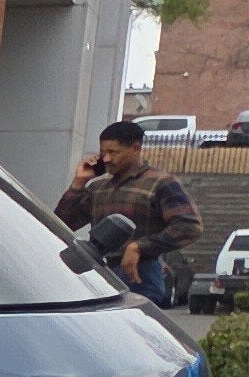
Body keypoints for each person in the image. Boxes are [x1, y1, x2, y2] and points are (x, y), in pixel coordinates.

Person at [56, 120, 198, 306]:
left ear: (136, 148)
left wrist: (140, 247)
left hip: (141, 273)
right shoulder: (98, 188)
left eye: (113, 152)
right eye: (103, 153)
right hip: (102, 272)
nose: (106, 159)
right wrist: (78, 184)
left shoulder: (161, 183)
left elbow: (190, 226)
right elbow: (61, 224)